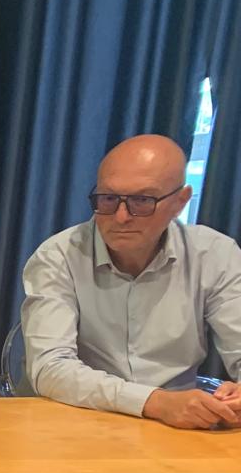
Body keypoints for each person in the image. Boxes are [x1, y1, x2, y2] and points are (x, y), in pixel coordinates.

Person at [22, 134, 241, 429]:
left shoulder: (215, 254)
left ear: (180, 202)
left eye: (142, 201)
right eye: (109, 199)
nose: (121, 217)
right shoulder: (59, 255)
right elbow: (50, 369)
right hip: (77, 418)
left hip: (177, 428)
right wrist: (154, 402)